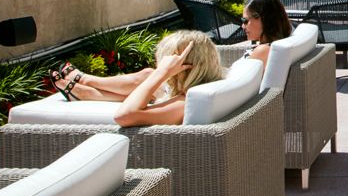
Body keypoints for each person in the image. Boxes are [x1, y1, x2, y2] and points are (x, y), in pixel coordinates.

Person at [50, 30, 225, 127]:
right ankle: (90, 83)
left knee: (151, 75)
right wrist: (156, 74)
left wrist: (161, 73)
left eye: (167, 60)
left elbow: (124, 116)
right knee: (147, 74)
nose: (162, 63)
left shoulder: (185, 103)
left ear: (186, 66)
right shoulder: (204, 82)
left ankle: (89, 89)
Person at [240, 0, 293, 66]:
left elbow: (243, 76)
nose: (243, 26)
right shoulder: (270, 45)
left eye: (245, 21)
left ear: (263, 19)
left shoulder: (263, 51)